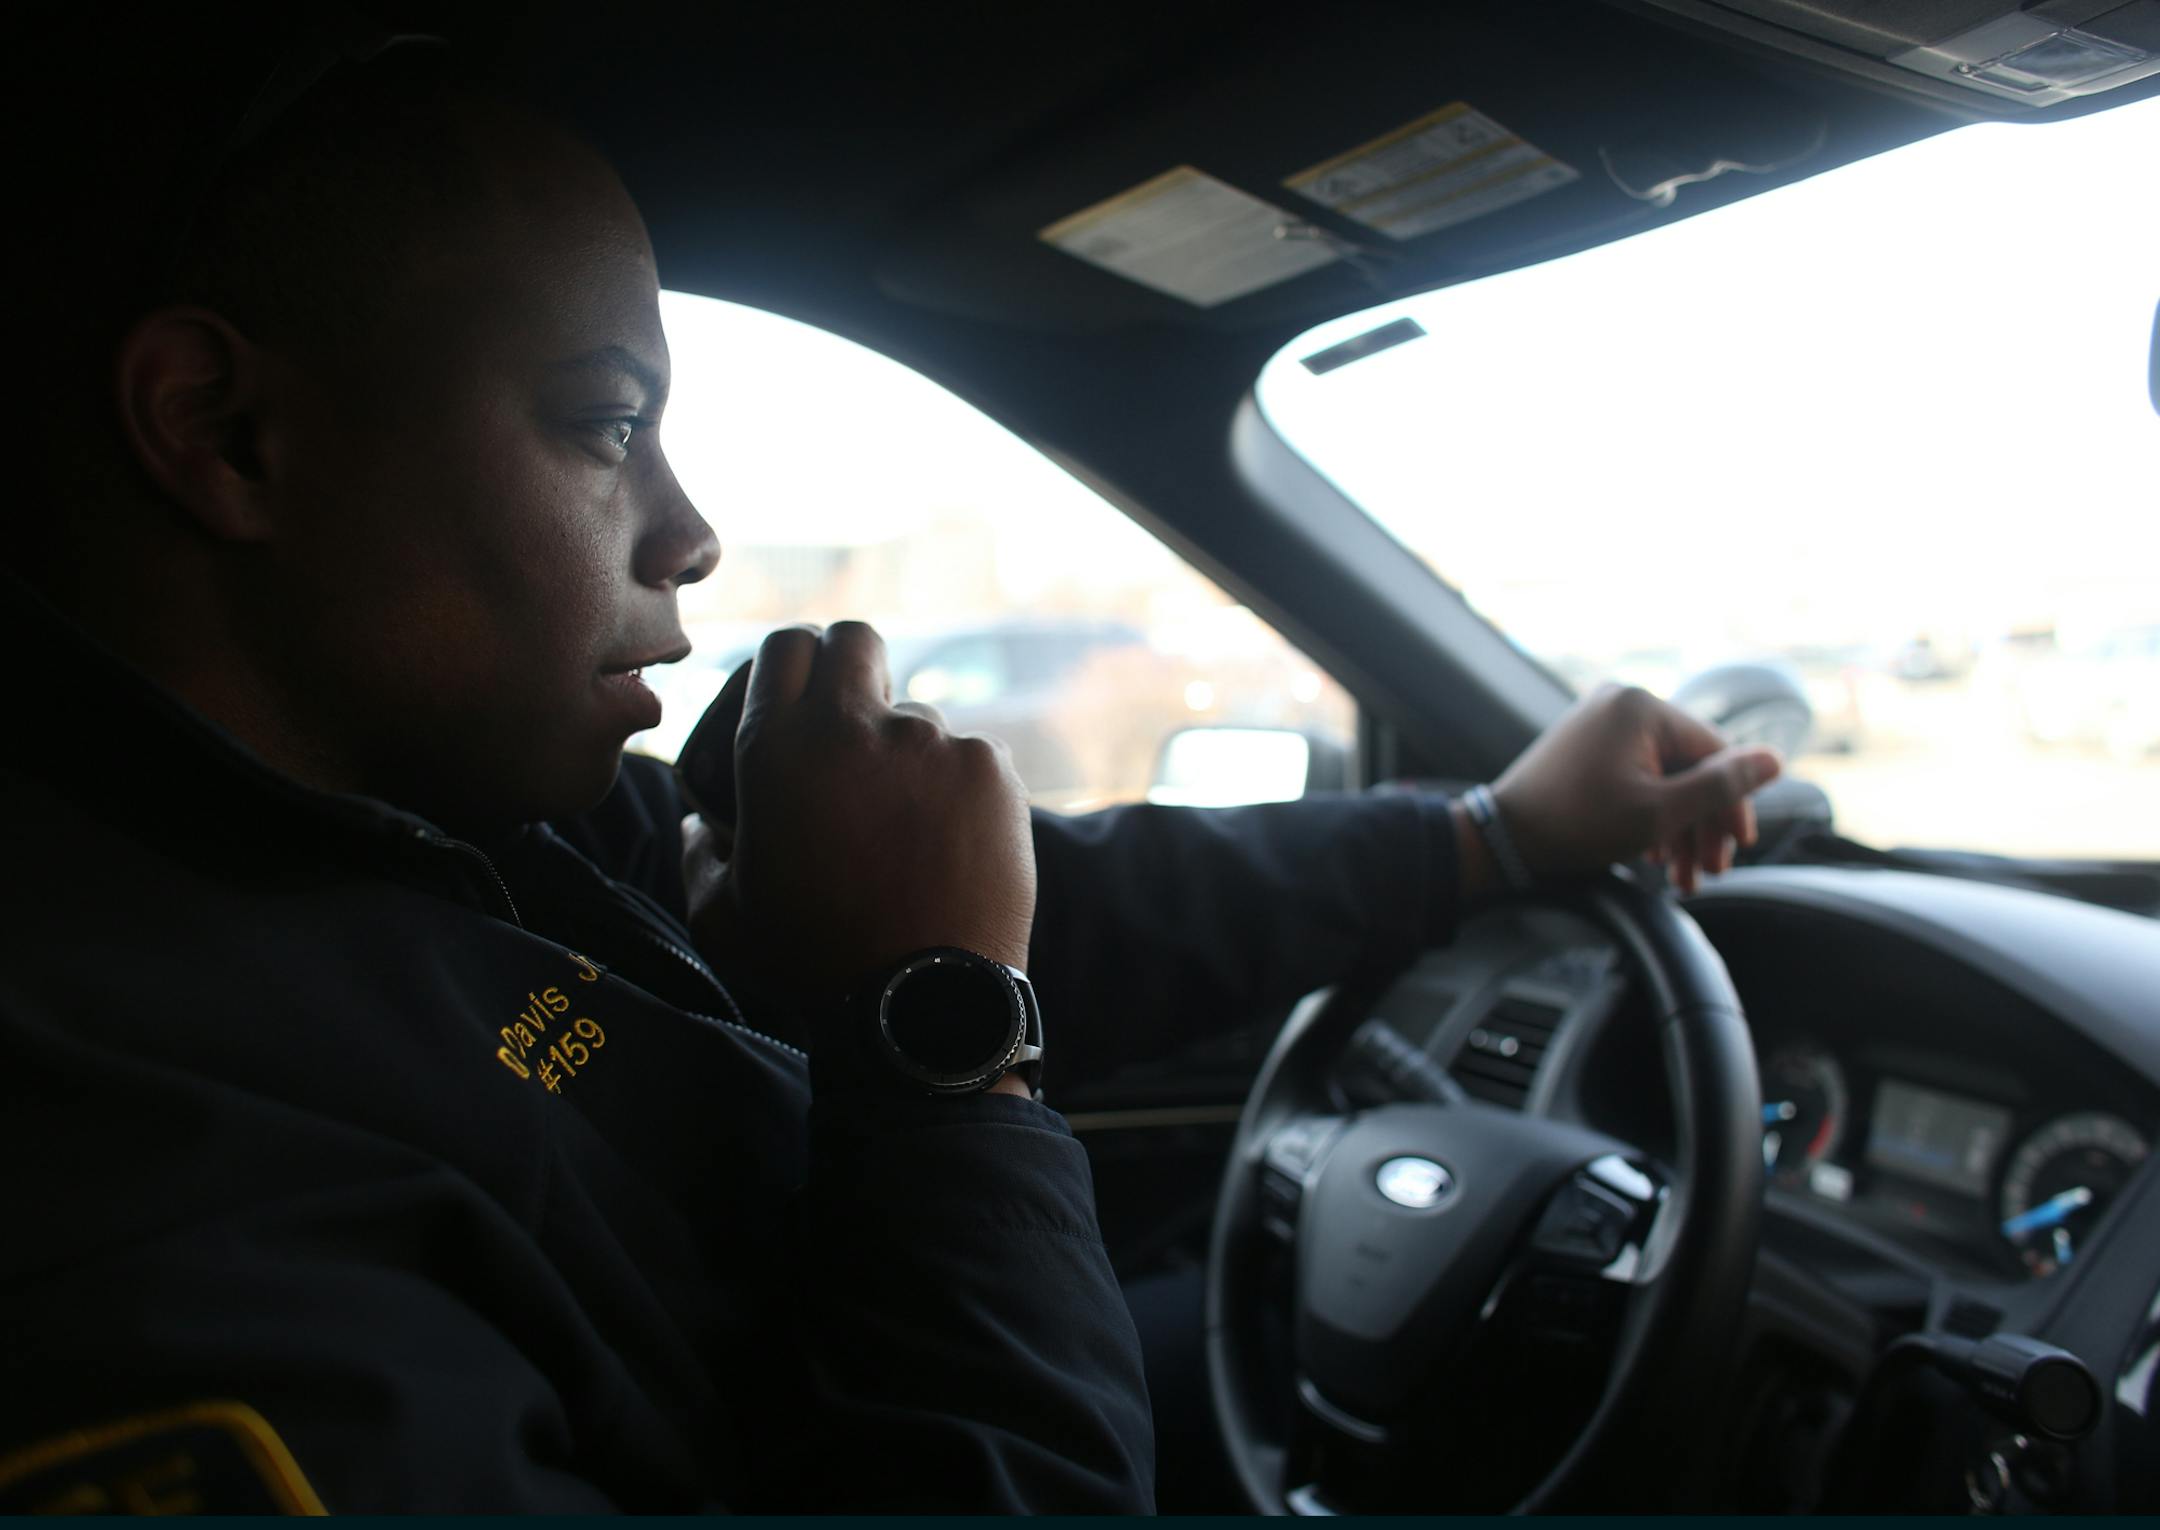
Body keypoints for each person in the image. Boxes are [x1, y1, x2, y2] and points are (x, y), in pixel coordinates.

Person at [0, 22, 1780, 1514]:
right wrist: (943, 1063)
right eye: (609, 423)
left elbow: (998, 897)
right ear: (226, 437)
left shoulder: (441, 816)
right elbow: (934, 976)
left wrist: (1487, 834)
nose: (690, 532)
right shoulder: (143, 1219)